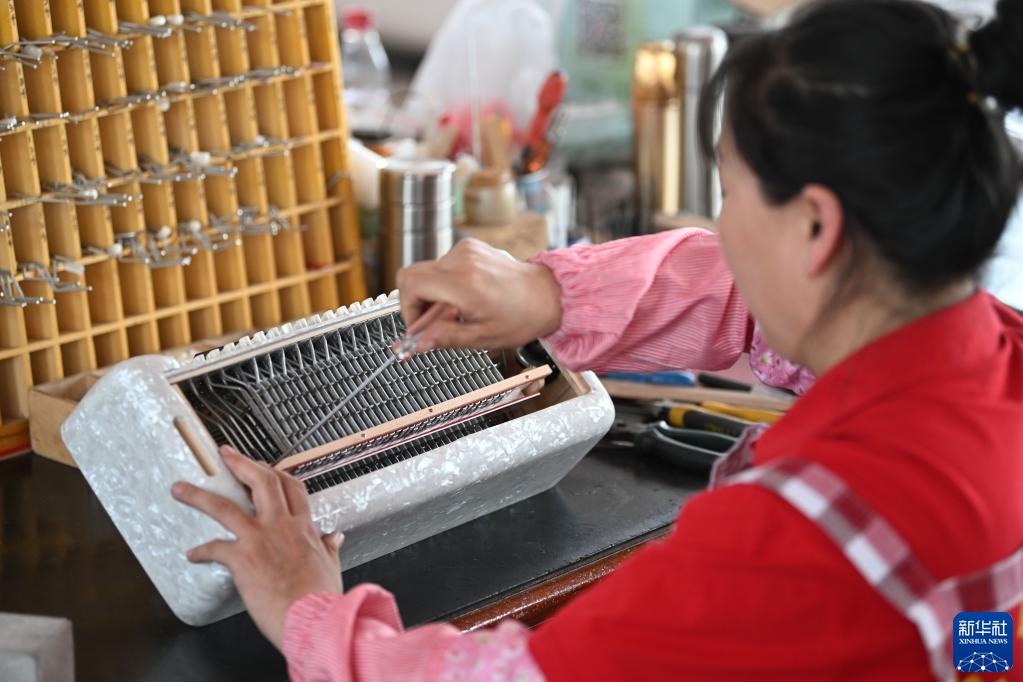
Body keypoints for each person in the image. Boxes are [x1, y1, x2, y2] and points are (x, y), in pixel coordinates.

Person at [170, 0, 1023, 679]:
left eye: (729, 194)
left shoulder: (800, 541)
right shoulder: (988, 365)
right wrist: (549, 293)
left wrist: (308, 611)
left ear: (816, 227)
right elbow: (974, 635)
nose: (722, 230)